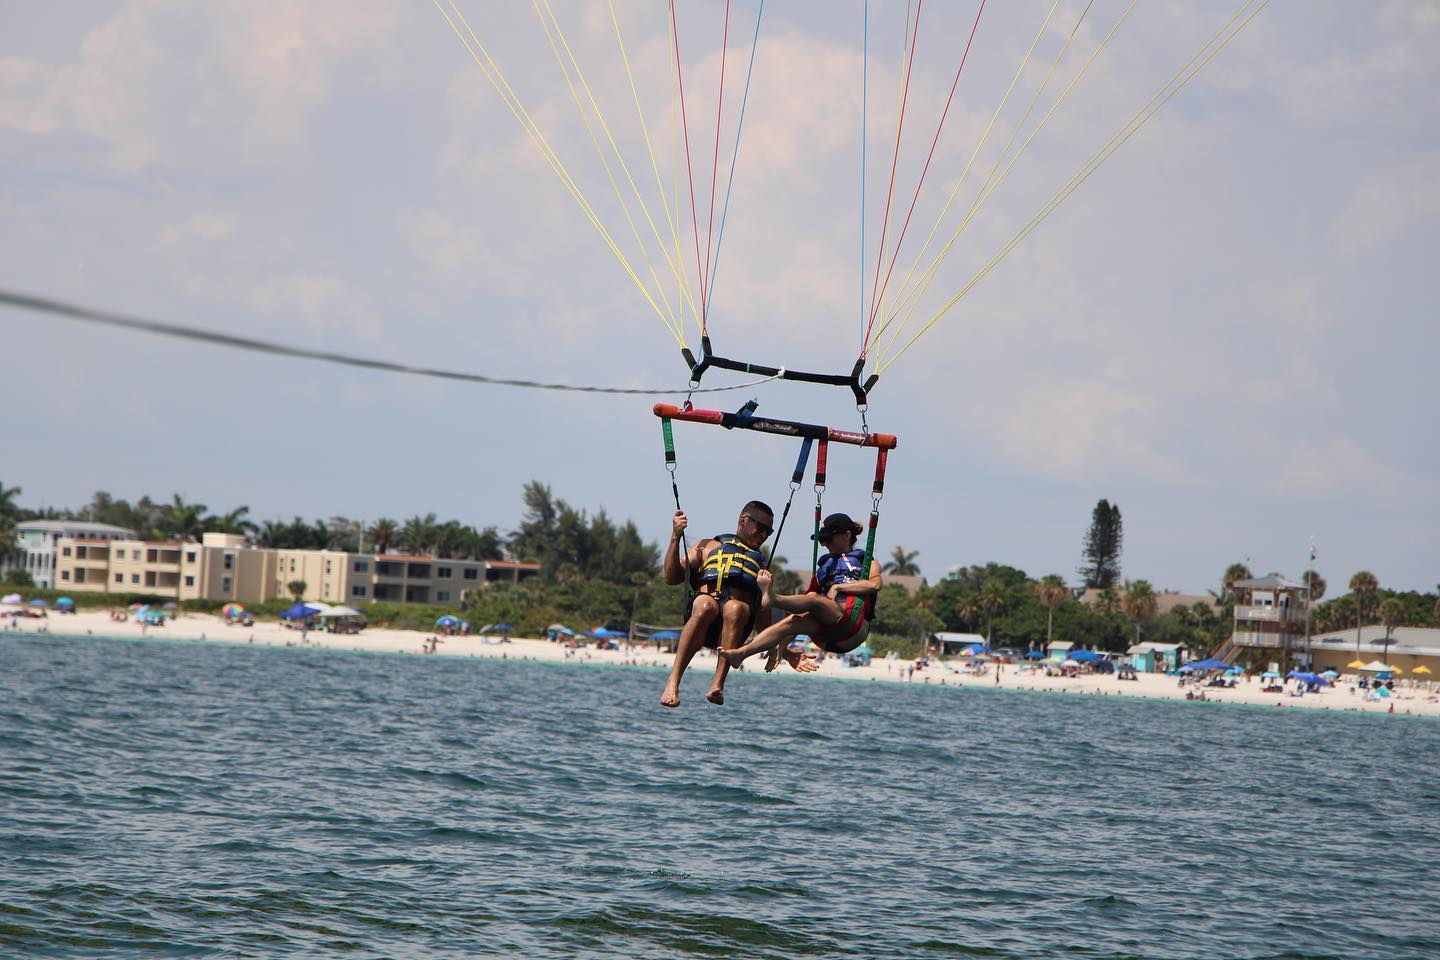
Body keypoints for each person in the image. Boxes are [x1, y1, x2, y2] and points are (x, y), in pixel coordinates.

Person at [659, 501, 800, 708]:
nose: (763, 536)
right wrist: (675, 537)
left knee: (736, 608)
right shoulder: (707, 546)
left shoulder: (762, 568)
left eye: (768, 532)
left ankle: (717, 684)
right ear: (744, 520)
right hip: (702, 615)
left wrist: (782, 651)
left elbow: (764, 625)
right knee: (706, 605)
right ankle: (673, 682)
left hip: (735, 625)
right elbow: (671, 577)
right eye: (761, 529)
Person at [720, 513, 882, 672]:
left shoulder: (866, 562)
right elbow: (803, 608)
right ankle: (741, 654)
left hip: (852, 627)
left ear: (847, 535)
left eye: (828, 538)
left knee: (812, 598)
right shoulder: (823, 570)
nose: (824, 544)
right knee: (793, 620)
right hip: (826, 635)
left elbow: (874, 585)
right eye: (821, 540)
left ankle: (773, 599)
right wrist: (781, 650)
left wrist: (839, 587)